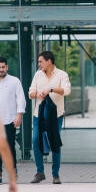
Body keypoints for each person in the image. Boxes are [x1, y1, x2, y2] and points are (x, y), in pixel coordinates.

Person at [28, 50, 71, 184]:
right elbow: (31, 92)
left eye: (41, 61)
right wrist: (36, 94)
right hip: (39, 115)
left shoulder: (62, 75)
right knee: (36, 140)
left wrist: (51, 89)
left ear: (49, 61)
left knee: (54, 142)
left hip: (55, 116)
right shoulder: (38, 75)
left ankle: (55, 175)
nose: (39, 64)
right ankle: (40, 172)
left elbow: (67, 90)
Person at [0, 56, 26, 182]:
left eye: (3, 67)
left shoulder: (15, 81)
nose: (1, 69)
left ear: (7, 67)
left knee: (9, 147)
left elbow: (20, 98)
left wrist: (19, 115)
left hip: (10, 119)